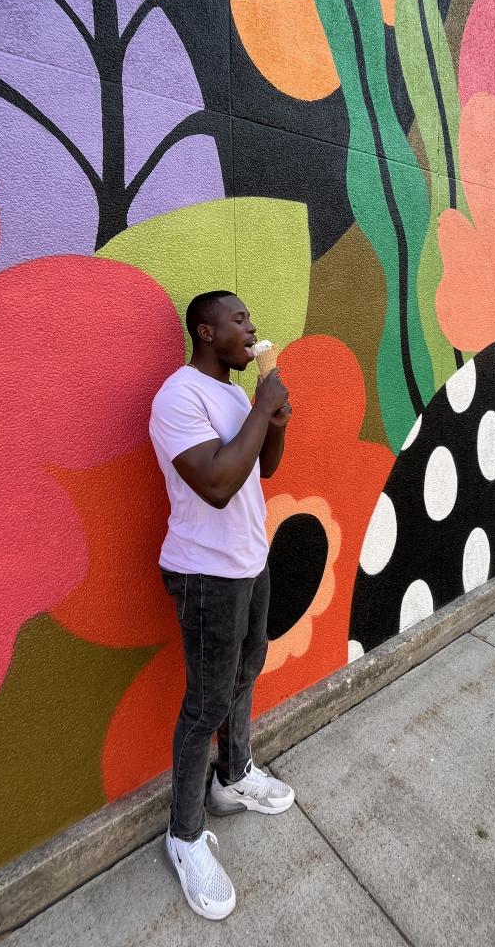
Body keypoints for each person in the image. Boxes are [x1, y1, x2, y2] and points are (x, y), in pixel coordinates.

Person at [149, 289, 295, 921]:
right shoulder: (178, 396)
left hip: (249, 561)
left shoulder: (237, 396)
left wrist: (275, 422)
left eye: (250, 320)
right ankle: (183, 837)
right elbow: (212, 483)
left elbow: (261, 468)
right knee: (205, 701)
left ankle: (232, 776)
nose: (251, 330)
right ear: (206, 333)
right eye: (239, 319)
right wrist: (264, 405)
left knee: (245, 673)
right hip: (205, 575)